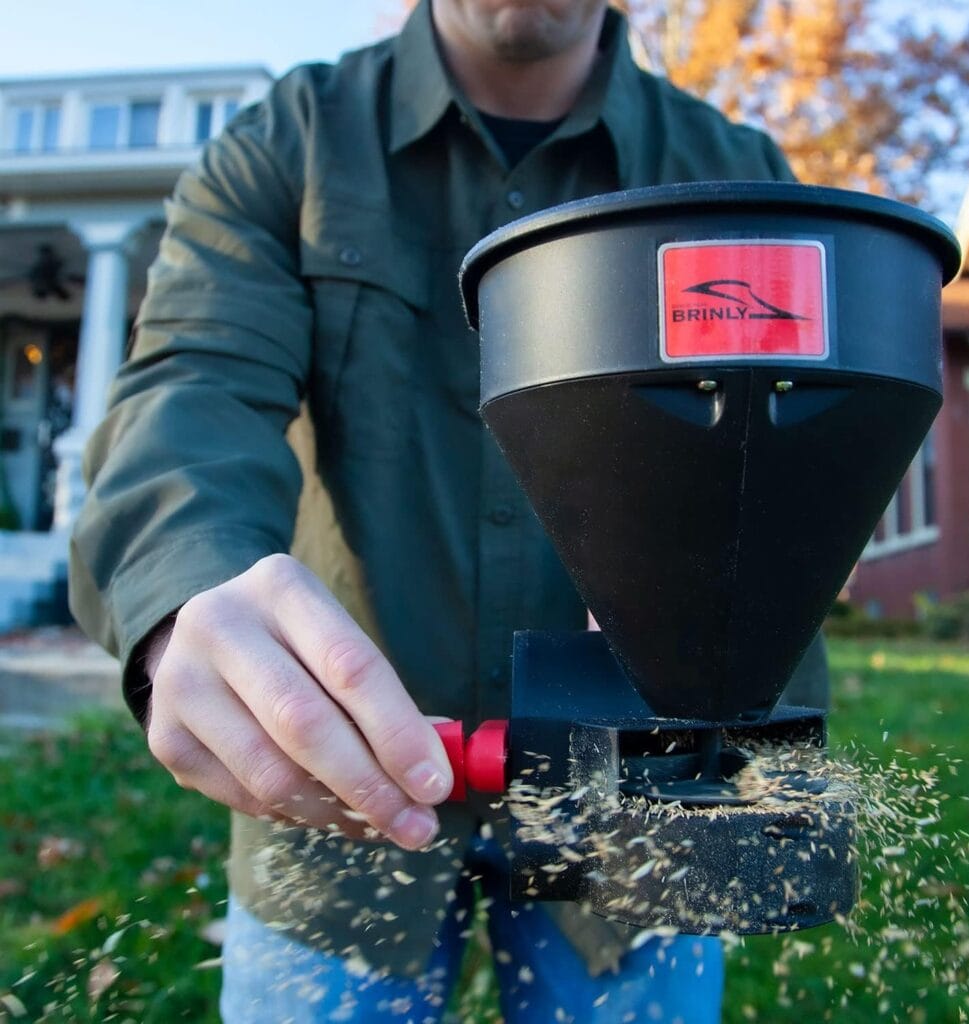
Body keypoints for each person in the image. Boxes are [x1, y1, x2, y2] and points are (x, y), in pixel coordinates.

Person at [70, 1, 821, 1020]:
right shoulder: (290, 141)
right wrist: (186, 584)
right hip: (336, 770)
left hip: (651, 785)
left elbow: (803, 439)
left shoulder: (732, 173)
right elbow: (193, 382)